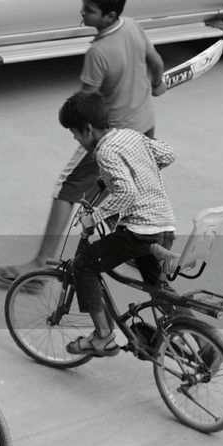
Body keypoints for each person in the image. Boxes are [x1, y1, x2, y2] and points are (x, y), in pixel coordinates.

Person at [0, 0, 166, 286]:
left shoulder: (98, 53)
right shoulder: (134, 27)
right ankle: (148, 254)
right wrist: (158, 84)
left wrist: (78, 130)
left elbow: (84, 105)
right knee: (129, 191)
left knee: (66, 189)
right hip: (145, 129)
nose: (82, 13)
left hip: (111, 137)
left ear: (109, 15)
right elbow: (156, 62)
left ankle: (39, 265)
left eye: (89, 10)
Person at [57, 92, 177, 356]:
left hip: (139, 231)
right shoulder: (131, 135)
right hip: (165, 225)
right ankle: (203, 344)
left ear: (88, 129)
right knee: (159, 289)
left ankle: (103, 337)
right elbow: (168, 154)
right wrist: (137, 171)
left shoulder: (105, 152)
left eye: (75, 133)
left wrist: (93, 217)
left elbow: (127, 193)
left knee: (84, 266)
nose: (76, 139)